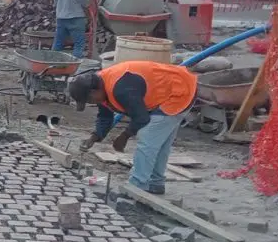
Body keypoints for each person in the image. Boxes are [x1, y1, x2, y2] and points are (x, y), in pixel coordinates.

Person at [69, 61, 198, 195]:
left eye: (89, 100)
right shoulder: (100, 87)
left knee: (147, 140)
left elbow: (142, 118)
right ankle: (156, 183)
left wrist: (124, 136)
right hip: (169, 90)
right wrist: (94, 137)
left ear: (94, 91)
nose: (92, 103)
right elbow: (105, 117)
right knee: (159, 144)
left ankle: (137, 187)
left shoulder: (121, 88)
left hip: (179, 91)